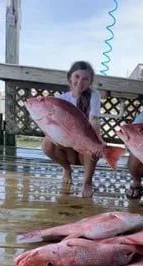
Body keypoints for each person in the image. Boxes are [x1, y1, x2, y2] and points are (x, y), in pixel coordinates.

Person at [41, 61, 101, 198]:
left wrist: (97, 140)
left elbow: (94, 120)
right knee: (46, 144)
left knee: (92, 143)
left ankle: (87, 182)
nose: (80, 81)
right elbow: (52, 125)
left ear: (91, 81)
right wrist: (53, 137)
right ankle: (66, 169)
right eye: (77, 77)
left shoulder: (94, 95)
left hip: (83, 144)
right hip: (66, 142)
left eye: (86, 78)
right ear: (70, 78)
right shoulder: (62, 99)